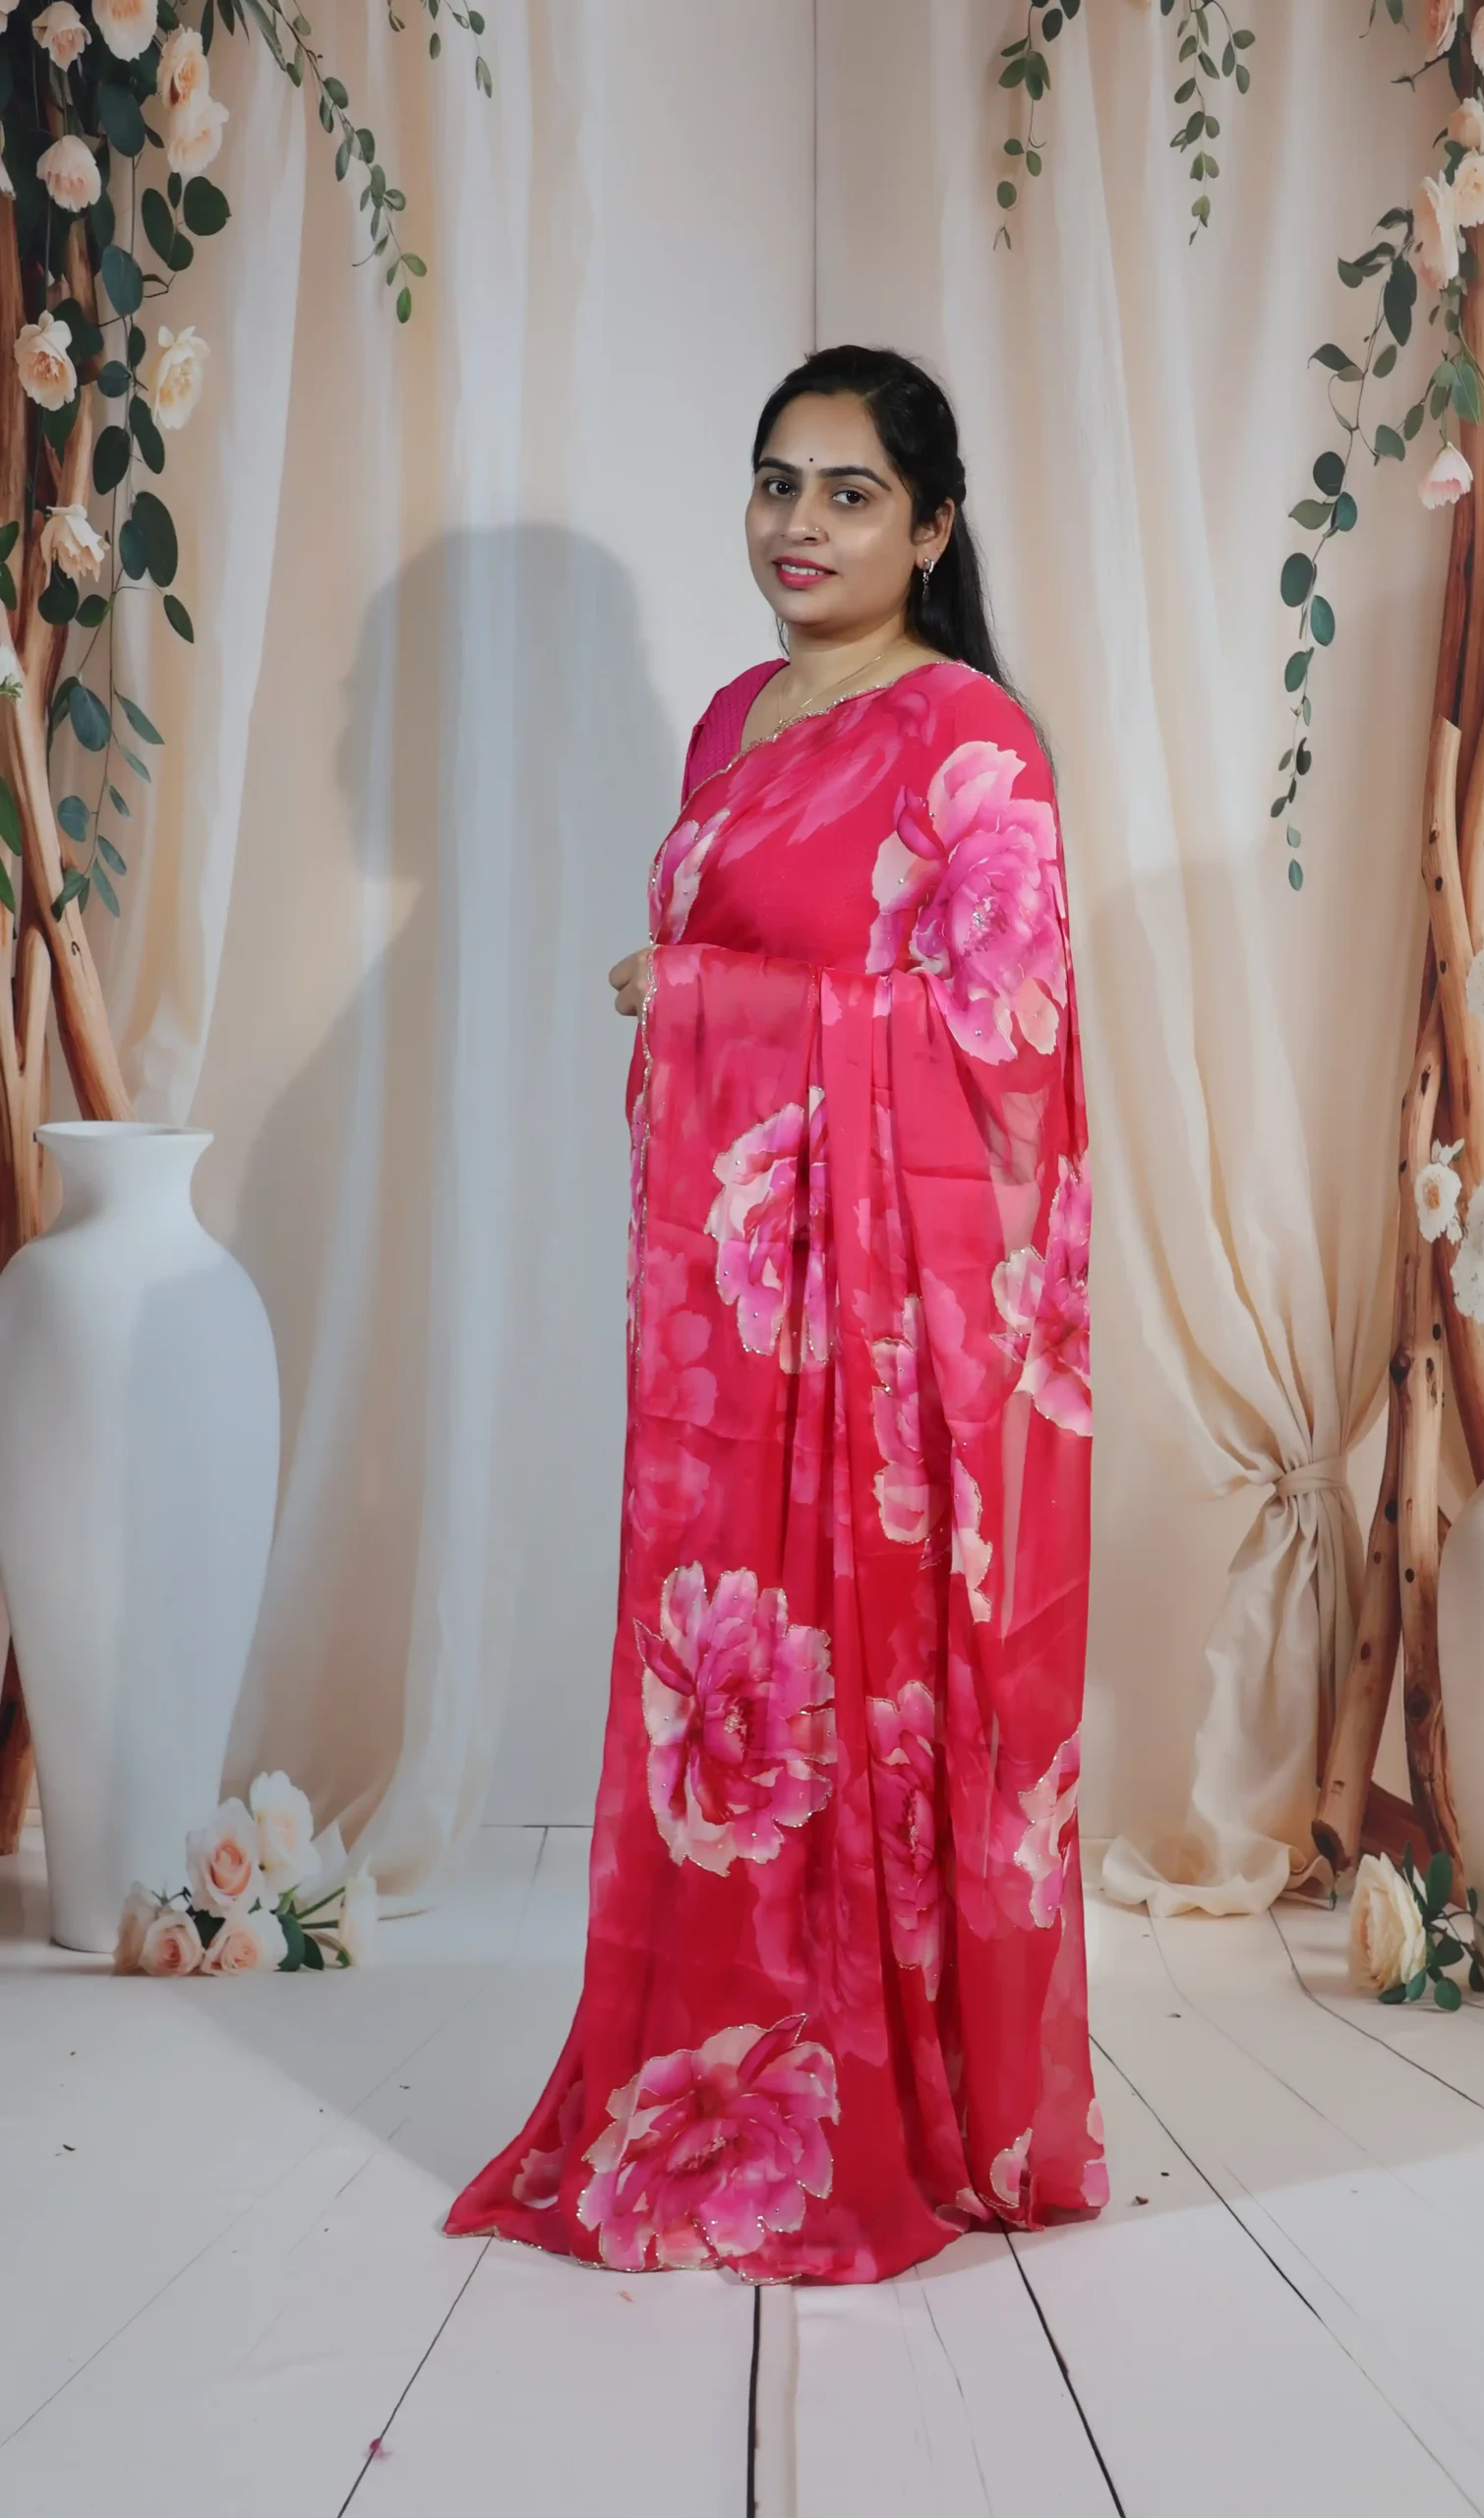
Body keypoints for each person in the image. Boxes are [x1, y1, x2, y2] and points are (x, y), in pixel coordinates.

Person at [447, 345, 1104, 2284]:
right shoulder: (733, 718)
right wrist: (707, 1019)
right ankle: (706, 2070)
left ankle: (881, 2092)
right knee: (721, 1693)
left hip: (884, 1357)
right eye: (774, 483)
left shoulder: (968, 735)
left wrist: (705, 1001)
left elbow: (1007, 1043)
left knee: (855, 1687)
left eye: (846, 492)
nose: (797, 525)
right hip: (724, 1325)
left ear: (932, 526)